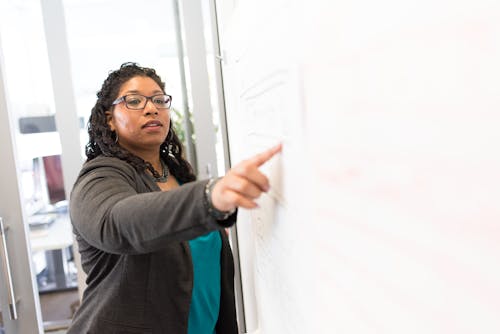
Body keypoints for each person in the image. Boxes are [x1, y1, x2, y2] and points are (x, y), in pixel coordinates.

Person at [68, 62, 281, 334]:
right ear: (109, 118)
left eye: (159, 100)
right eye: (134, 101)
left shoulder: (179, 176)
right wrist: (209, 196)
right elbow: (117, 222)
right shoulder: (98, 178)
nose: (151, 108)